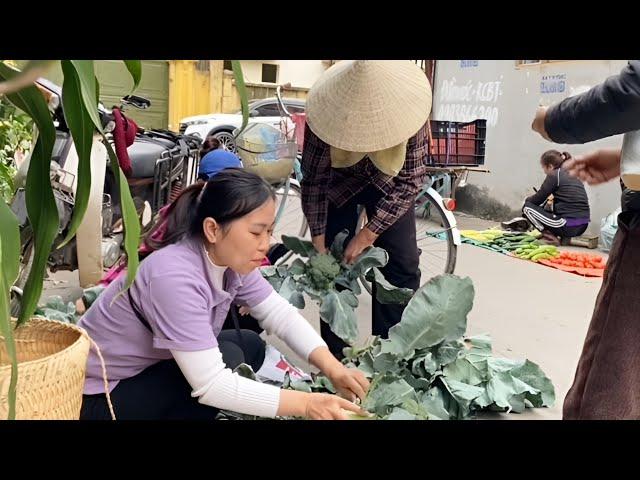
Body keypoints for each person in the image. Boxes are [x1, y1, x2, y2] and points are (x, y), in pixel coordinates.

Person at [79, 168, 369, 420]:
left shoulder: (227, 259)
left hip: (148, 367)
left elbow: (278, 314)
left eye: (270, 231)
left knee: (251, 345)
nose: (266, 244)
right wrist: (308, 404)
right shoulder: (173, 276)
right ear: (213, 229)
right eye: (257, 233)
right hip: (98, 395)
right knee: (223, 366)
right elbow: (212, 385)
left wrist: (333, 368)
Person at [300, 60, 432, 358]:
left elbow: (410, 182)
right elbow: (314, 182)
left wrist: (367, 235)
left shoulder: (410, 112)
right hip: (340, 182)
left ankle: (392, 352)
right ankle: (337, 356)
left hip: (391, 181)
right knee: (334, 265)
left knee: (403, 265)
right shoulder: (323, 115)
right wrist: (319, 242)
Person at [531, 60, 640, 419]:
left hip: (580, 225)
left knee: (609, 383)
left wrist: (551, 120)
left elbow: (631, 92)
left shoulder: (555, 176)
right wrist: (625, 159)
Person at [521, 150, 590, 244]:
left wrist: (526, 200)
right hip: (583, 225)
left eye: (543, 168)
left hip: (568, 225)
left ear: (550, 166)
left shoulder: (554, 174)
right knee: (553, 209)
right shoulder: (573, 174)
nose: (544, 171)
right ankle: (565, 238)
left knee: (527, 208)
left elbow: (537, 199)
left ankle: (550, 237)